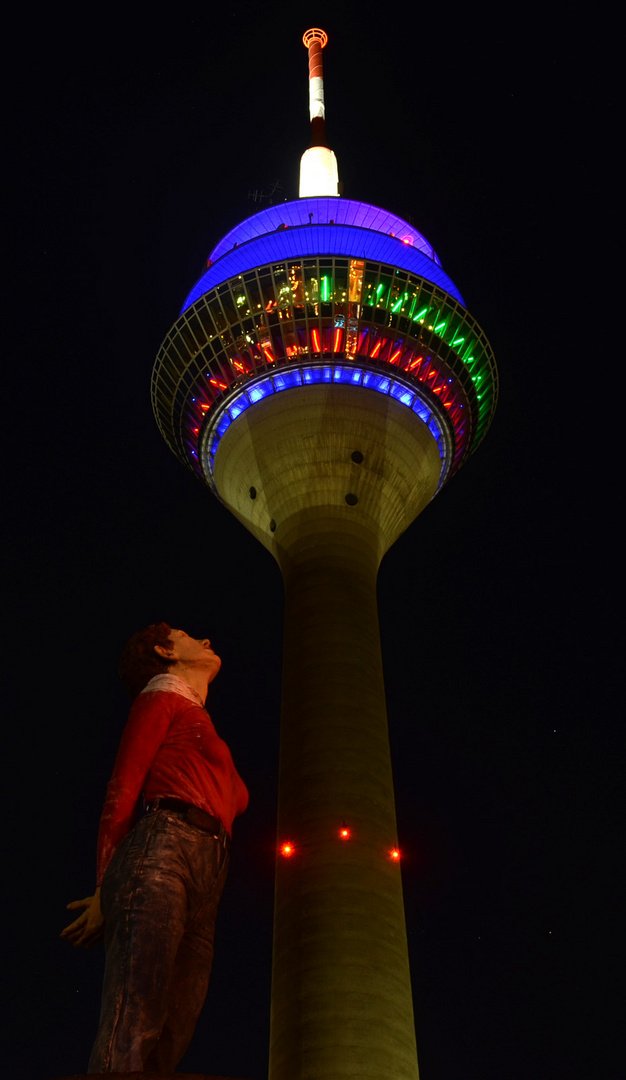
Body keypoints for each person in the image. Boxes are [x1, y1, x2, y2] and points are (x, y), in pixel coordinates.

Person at [61, 622, 248, 1075]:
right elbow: (122, 788)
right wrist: (106, 887)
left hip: (210, 867)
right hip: (165, 846)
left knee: (177, 1022)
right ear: (166, 651)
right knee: (136, 1009)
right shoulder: (160, 698)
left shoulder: (196, 719)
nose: (204, 641)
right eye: (187, 636)